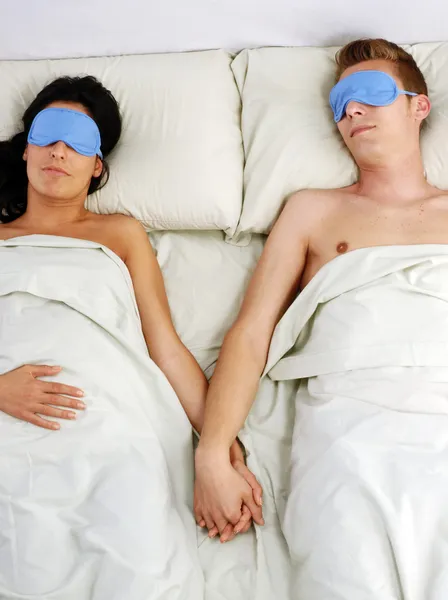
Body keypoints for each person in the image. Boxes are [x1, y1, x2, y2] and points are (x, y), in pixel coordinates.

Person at [0, 75, 260, 598]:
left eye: (79, 142)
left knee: (133, 553)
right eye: (48, 134)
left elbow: (163, 345)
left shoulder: (119, 233)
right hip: (10, 416)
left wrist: (223, 450)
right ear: (26, 148)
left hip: (110, 417)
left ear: (98, 166)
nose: (59, 150)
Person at [194, 35, 440, 551]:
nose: (352, 110)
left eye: (371, 93)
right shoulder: (312, 210)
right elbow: (253, 329)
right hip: (351, 426)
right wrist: (212, 455)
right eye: (340, 106)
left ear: (420, 106)